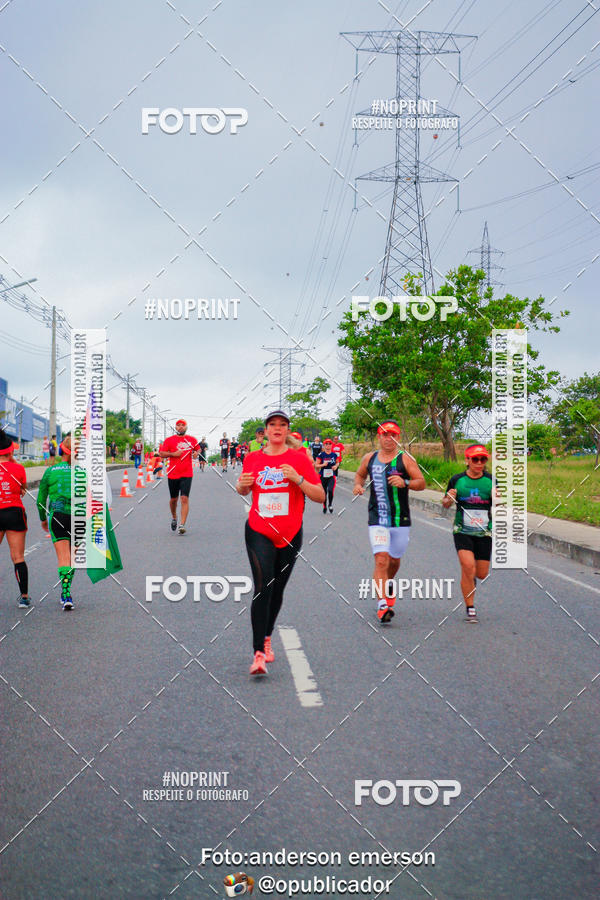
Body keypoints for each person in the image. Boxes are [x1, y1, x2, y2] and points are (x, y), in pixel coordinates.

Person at [236, 410, 325, 676]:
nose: (277, 428)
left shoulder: (298, 459)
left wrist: (297, 479)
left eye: (282, 425)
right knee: (263, 586)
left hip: (290, 533)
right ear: (265, 430)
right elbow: (243, 488)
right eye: (272, 424)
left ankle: (267, 636)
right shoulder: (253, 458)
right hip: (259, 529)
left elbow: (320, 495)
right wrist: (241, 485)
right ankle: (258, 653)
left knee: (277, 589)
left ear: (287, 430)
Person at [353, 420, 425, 623]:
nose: (388, 438)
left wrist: (406, 482)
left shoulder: (405, 459)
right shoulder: (370, 458)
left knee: (394, 560)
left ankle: (389, 583)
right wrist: (358, 486)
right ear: (379, 437)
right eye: (385, 434)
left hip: (400, 519)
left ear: (397, 437)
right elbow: (359, 475)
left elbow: (421, 482)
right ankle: (382, 604)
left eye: (392, 434)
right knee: (381, 559)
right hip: (377, 518)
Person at [441, 444, 494, 623]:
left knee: (481, 574)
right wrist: (449, 498)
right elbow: (445, 503)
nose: (479, 463)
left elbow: (500, 505)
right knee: (468, 566)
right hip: (462, 530)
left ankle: (469, 579)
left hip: (484, 532)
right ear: (467, 460)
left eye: (482, 459)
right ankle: (470, 607)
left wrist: (500, 499)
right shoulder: (457, 480)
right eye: (475, 459)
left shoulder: (491, 481)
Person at [37, 434, 76, 609]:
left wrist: (43, 519)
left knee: (63, 558)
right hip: (79, 517)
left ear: (62, 451)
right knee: (73, 558)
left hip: (58, 516)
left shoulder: (50, 471)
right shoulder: (83, 471)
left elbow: (40, 501)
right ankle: (66, 593)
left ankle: (66, 595)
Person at [0, 428, 30, 607]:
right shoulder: (18, 468)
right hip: (14, 512)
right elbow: (22, 490)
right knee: (18, 557)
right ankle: (24, 597)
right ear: (10, 451)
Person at [159, 420, 200, 535]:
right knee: (173, 500)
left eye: (183, 425)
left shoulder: (192, 440)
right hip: (173, 473)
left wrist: (196, 453)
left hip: (187, 473)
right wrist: (173, 454)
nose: (181, 427)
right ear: (176, 427)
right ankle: (174, 517)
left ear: (186, 427)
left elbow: (198, 449)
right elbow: (161, 453)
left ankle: (182, 525)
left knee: (184, 498)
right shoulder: (169, 440)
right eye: (179, 425)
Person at [315, 438, 339, 514]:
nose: (328, 445)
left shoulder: (334, 455)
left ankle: (330, 504)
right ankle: (324, 506)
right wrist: (323, 464)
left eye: (329, 444)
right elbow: (316, 465)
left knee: (330, 490)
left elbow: (337, 463)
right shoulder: (321, 455)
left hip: (332, 475)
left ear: (332, 445)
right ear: (324, 445)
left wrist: (336, 466)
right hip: (323, 476)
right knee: (324, 492)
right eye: (326, 444)